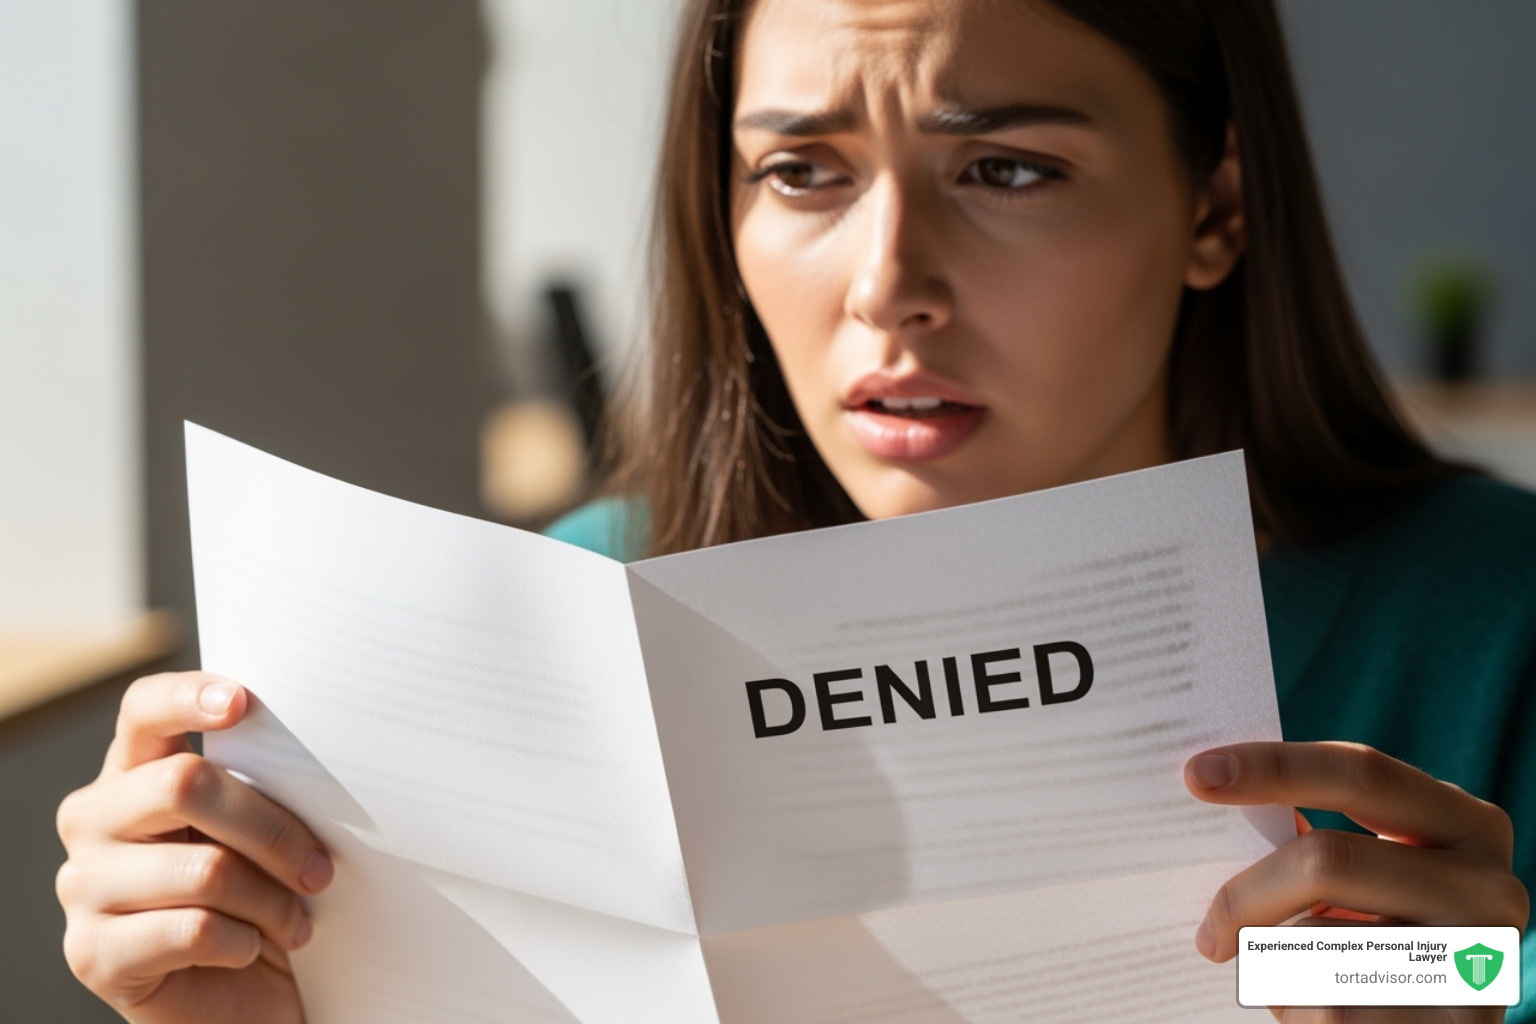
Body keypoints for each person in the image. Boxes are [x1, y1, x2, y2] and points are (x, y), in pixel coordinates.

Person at [56, 0, 1532, 1021]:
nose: (888, 281)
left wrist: (1453, 987)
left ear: (1214, 208)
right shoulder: (581, 615)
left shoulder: (1495, 629)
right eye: (802, 171)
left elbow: (1481, 984)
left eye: (1006, 168)